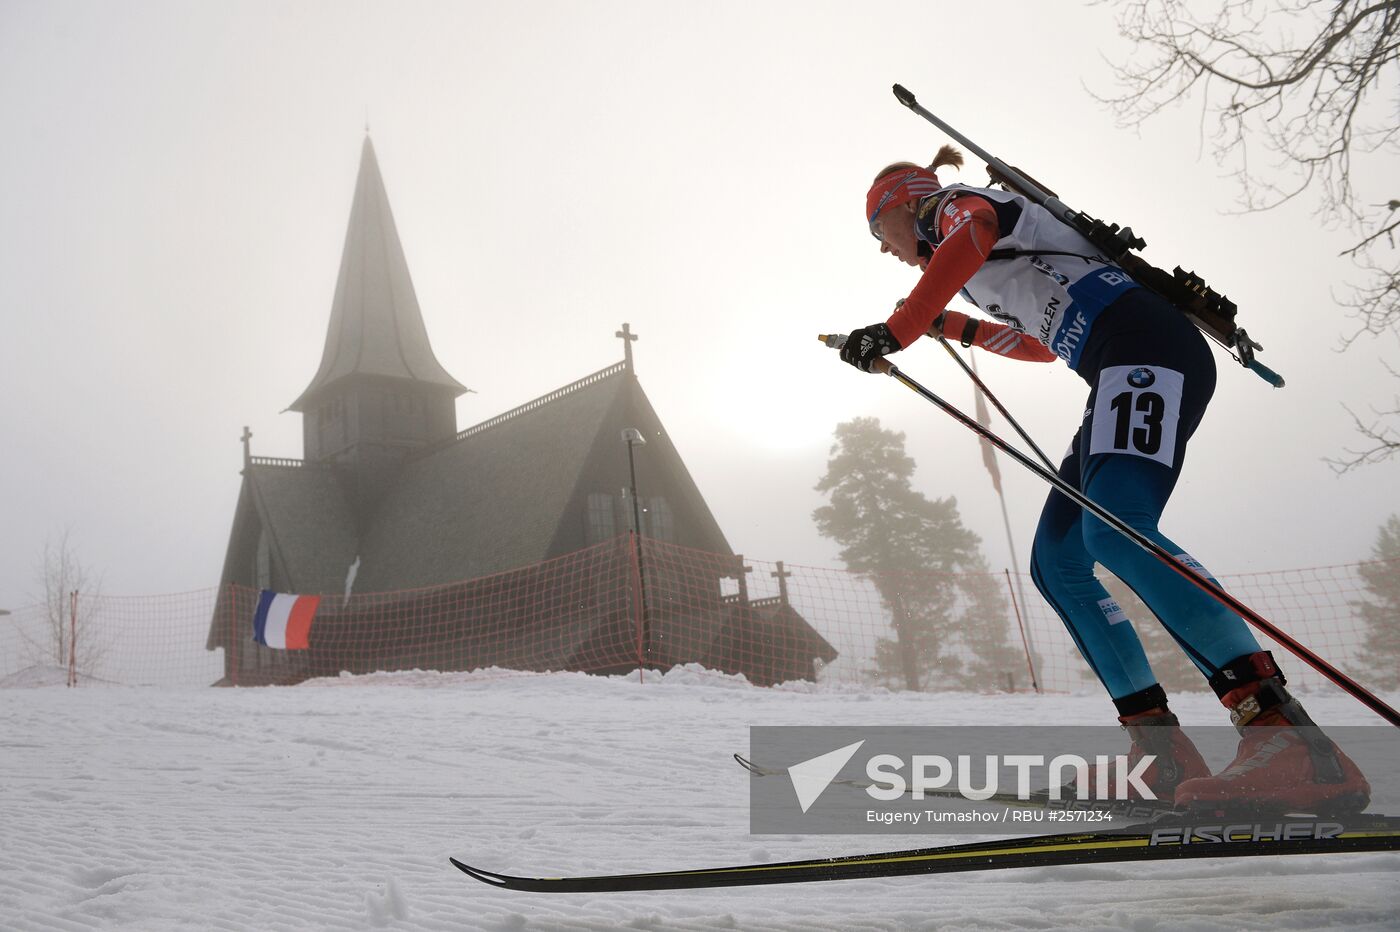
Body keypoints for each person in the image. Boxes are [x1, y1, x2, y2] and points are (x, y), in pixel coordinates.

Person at [843, 146, 1370, 813]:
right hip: (1117, 363)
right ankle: (1160, 754)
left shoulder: (950, 210)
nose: (882, 248)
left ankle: (1285, 735)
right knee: (1058, 562)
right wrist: (953, 325)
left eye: (876, 229)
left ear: (902, 204)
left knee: (1117, 531)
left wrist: (901, 327)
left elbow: (975, 227)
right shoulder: (971, 267)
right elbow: (1041, 342)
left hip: (1145, 349)